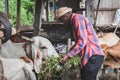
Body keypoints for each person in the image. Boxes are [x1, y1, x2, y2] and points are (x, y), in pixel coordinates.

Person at [55, 7, 104, 80]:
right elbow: (79, 42)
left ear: (65, 16)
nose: (63, 22)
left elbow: (82, 41)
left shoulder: (77, 19)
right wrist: (69, 52)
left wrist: (68, 56)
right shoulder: (75, 21)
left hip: (92, 55)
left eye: (62, 20)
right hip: (90, 57)